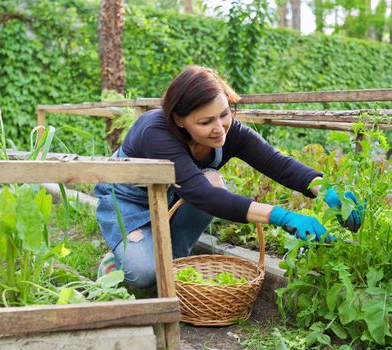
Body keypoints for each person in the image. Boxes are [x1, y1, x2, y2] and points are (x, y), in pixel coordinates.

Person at [94, 65, 363, 289]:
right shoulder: (155, 131)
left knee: (210, 185)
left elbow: (277, 163)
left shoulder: (231, 132)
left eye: (224, 114)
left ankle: (172, 259)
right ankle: (118, 259)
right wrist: (282, 216)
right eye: (205, 122)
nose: (219, 128)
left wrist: (326, 189)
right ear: (179, 120)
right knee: (143, 274)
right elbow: (204, 196)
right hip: (129, 201)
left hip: (175, 196)